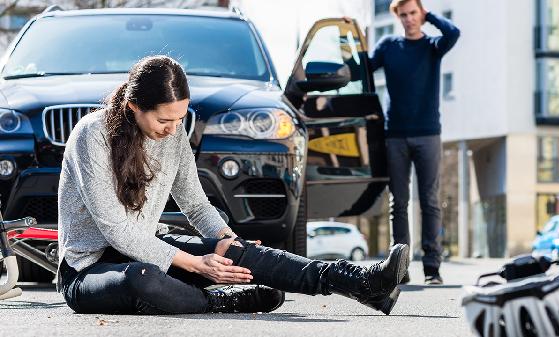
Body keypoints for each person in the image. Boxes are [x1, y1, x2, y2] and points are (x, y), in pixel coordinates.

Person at [57, 55, 410, 315]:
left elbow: (195, 204)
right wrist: (197, 265)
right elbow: (117, 231)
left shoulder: (173, 131)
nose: (172, 128)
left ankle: (361, 283)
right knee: (142, 278)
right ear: (134, 106)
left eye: (180, 118)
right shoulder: (93, 135)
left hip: (148, 246)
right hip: (88, 270)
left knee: (231, 250)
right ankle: (218, 300)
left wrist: (228, 240)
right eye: (164, 119)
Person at [368, 0, 460, 285]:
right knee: (399, 203)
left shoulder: (433, 46)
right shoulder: (389, 46)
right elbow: (364, 69)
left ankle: (432, 268)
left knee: (430, 202)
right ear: (398, 17)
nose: (409, 19)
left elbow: (453, 33)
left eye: (413, 13)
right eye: (404, 15)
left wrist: (429, 15)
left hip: (428, 134)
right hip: (395, 134)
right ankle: (400, 267)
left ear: (421, 14)